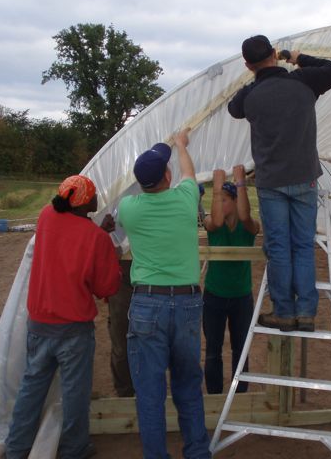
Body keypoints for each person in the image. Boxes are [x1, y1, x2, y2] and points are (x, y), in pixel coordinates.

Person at [228, 34, 331, 332]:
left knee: (279, 247)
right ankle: (306, 312)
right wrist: (296, 57)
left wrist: (255, 78)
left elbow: (233, 108)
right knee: (303, 245)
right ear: (273, 54)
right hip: (304, 177)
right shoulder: (303, 82)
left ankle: (284, 311)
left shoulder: (252, 95)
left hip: (272, 183)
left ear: (247, 64)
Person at [4, 175, 122, 459]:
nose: (97, 199)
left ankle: (16, 448)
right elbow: (105, 287)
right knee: (75, 394)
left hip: (40, 322)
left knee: (32, 387)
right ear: (86, 203)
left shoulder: (47, 216)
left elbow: (70, 237)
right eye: (94, 195)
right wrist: (109, 251)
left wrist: (98, 233)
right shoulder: (95, 239)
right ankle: (74, 449)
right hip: (73, 329)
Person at [118, 129, 211, 459]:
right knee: (188, 386)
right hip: (187, 303)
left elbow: (148, 183)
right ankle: (198, 453)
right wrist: (181, 145)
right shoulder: (187, 198)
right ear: (167, 176)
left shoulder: (129, 208)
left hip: (147, 305)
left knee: (150, 393)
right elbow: (190, 172)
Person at [202, 165, 260, 394]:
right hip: (214, 296)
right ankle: (215, 397)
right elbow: (214, 221)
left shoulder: (249, 226)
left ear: (236, 201)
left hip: (241, 298)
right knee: (213, 351)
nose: (220, 203)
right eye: (219, 199)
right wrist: (217, 188)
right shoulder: (212, 225)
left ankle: (240, 396)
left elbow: (246, 218)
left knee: (240, 350)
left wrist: (241, 183)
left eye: (225, 199)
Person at [107, 257, 135, 397]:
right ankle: (125, 393)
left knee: (151, 342)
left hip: (152, 272)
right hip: (122, 276)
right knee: (122, 344)